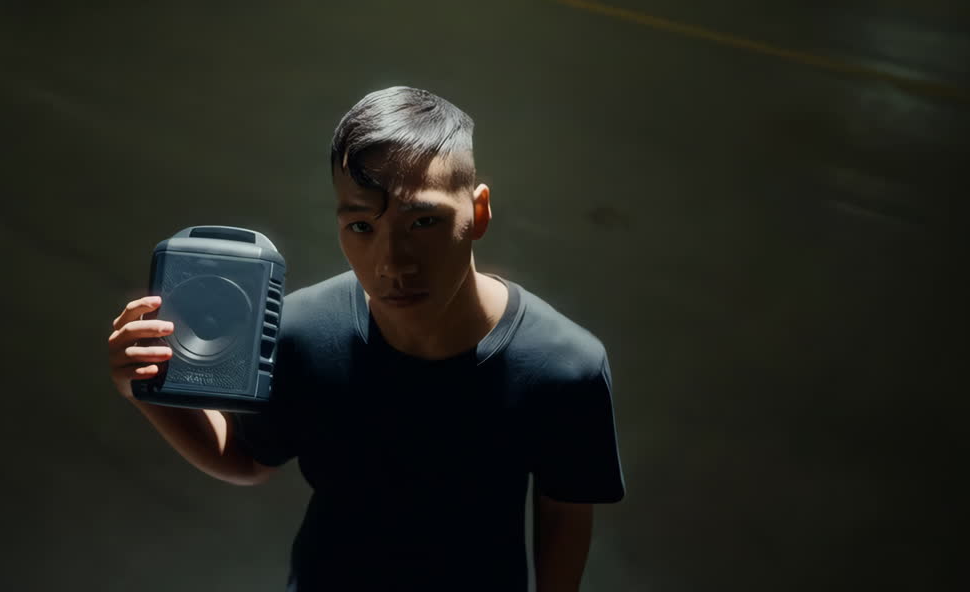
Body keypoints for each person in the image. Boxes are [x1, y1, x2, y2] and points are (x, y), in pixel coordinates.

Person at [107, 86, 626, 592]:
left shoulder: (564, 367)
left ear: (479, 212)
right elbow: (247, 458)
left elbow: (564, 510)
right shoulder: (303, 334)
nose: (392, 263)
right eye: (360, 226)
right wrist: (147, 390)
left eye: (423, 221)